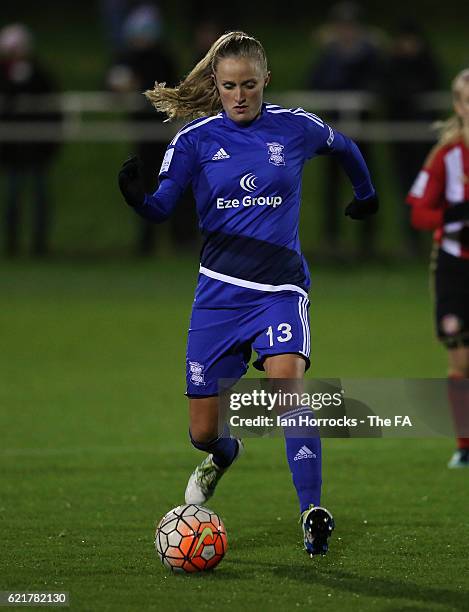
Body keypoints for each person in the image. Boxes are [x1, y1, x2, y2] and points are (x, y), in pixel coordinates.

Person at [118, 31, 378, 555]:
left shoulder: (296, 127)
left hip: (280, 286)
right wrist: (137, 200)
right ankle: (223, 453)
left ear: (266, 82)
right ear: (215, 84)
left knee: (289, 386)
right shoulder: (193, 141)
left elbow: (345, 146)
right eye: (230, 85)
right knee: (202, 432)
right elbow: (164, 208)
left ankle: (312, 511)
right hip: (218, 293)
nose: (240, 96)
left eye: (250, 86)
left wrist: (366, 195)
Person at [406, 68, 469, 468]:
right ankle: (465, 446)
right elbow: (418, 212)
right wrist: (452, 215)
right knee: (461, 361)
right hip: (454, 268)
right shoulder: (446, 156)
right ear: (459, 106)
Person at [108, 3, 197, 255]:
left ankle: (180, 238)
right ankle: (147, 241)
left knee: (173, 184)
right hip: (143, 135)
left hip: (166, 134)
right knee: (144, 185)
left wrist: (140, 87)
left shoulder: (161, 58)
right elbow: (112, 85)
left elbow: (167, 90)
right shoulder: (126, 57)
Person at [307, 1, 383, 259]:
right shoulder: (328, 57)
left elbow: (377, 87)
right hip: (333, 132)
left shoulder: (369, 56)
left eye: (351, 26)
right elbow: (316, 85)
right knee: (332, 186)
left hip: (362, 132)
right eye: (342, 26)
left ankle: (366, 242)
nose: (346, 32)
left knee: (364, 182)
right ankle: (332, 240)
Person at [0, 23, 62, 257]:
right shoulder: (2, 74)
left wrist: (50, 145)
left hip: (37, 149)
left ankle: (39, 247)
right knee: (13, 199)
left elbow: (52, 108)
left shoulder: (40, 74)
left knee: (39, 198)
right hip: (12, 150)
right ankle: (12, 247)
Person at [383, 19, 440, 256]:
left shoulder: (427, 63)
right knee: (407, 190)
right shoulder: (392, 65)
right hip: (403, 141)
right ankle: (413, 240)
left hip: (425, 140)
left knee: (432, 190)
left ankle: (434, 239)